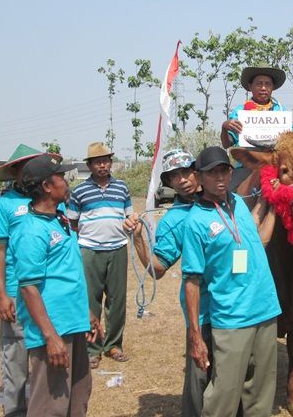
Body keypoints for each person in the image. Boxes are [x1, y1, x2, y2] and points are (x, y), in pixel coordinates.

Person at [182, 146, 281, 416]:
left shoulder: (237, 203)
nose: (220, 177)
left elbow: (258, 240)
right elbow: (192, 280)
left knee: (260, 396)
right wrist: (194, 335)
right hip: (232, 317)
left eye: (224, 170)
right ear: (199, 178)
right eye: (211, 172)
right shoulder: (196, 222)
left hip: (265, 310)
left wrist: (271, 202)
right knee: (223, 397)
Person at [10, 154, 102, 417]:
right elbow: (29, 288)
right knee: (50, 405)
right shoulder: (30, 231)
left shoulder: (60, 219)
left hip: (72, 324)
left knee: (78, 395)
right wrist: (50, 337)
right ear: (47, 186)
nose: (66, 181)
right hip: (53, 330)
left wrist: (85, 313)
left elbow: (67, 273)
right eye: (61, 177)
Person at [123, 149, 209, 416]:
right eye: (174, 177)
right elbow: (158, 268)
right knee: (201, 375)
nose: (182, 180)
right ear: (169, 184)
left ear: (198, 171)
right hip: (203, 307)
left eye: (187, 172)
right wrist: (138, 238)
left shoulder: (226, 201)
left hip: (239, 304)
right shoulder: (173, 220)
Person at [0, 144, 52, 417]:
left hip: (46, 291)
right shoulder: (3, 207)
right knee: (15, 358)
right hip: (17, 291)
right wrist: (2, 295)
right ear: (15, 172)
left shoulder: (49, 202)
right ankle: (14, 411)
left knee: (46, 355)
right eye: (25, 168)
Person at [67, 142, 133, 369]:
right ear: (90, 165)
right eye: (97, 162)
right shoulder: (79, 191)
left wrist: (131, 223)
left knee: (117, 300)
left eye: (106, 161)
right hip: (90, 249)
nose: (102, 165)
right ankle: (92, 348)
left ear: (110, 163)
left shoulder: (122, 188)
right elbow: (72, 222)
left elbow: (129, 216)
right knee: (90, 300)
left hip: (117, 248)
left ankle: (114, 345)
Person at [220, 65, 293, 149]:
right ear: (250, 86)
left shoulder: (280, 111)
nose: (263, 88)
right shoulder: (239, 111)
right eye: (259, 84)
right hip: (248, 164)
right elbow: (226, 144)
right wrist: (224, 127)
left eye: (268, 84)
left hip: (276, 163)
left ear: (272, 88)